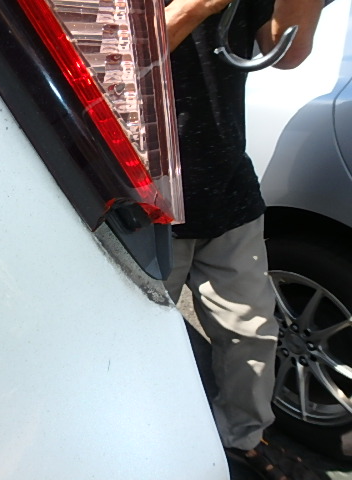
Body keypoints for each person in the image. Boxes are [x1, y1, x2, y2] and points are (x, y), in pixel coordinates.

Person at [163, 0, 324, 478]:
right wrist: (197, 7)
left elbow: (287, 53)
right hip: (140, 199)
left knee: (251, 335)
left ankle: (241, 441)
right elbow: (110, 67)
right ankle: (148, 447)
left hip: (226, 188)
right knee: (137, 341)